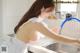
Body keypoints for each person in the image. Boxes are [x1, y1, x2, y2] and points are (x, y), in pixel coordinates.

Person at [14, 0, 80, 53]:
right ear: (43, 8)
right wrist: (77, 41)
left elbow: (33, 35)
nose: (50, 14)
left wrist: (50, 31)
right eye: (50, 11)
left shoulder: (32, 20)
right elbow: (57, 37)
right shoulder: (36, 23)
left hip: (18, 49)